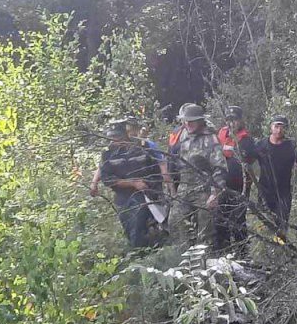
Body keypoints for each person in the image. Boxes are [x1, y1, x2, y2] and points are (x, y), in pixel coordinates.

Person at [90, 118, 164, 248]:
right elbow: (107, 178)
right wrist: (132, 183)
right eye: (112, 138)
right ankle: (139, 255)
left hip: (146, 195)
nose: (114, 141)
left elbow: (156, 170)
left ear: (125, 135)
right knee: (129, 229)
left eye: (117, 137)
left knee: (140, 228)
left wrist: (152, 188)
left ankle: (144, 255)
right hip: (123, 198)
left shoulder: (143, 147)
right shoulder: (109, 154)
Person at [167, 103, 227, 244]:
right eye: (186, 120)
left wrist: (214, 194)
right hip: (183, 188)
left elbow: (220, 168)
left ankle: (207, 262)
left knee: (206, 232)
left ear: (200, 121)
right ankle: (185, 259)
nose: (188, 124)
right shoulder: (180, 136)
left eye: (192, 121)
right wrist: (172, 190)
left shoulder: (210, 139)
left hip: (204, 190)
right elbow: (172, 164)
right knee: (175, 223)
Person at [254, 114, 297, 231]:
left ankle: (281, 247)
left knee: (281, 226)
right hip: (264, 191)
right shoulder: (261, 145)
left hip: (284, 193)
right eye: (276, 126)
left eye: (283, 127)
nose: (279, 130)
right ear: (271, 127)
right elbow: (247, 163)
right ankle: (266, 247)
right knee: (264, 225)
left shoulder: (292, 146)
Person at [214, 105, 258, 250]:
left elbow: (249, 163)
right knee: (220, 219)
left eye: (234, 120)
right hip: (221, 185)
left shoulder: (246, 140)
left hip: (239, 187)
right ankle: (223, 251)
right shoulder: (221, 134)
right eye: (228, 120)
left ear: (240, 121)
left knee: (238, 220)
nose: (231, 123)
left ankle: (242, 252)